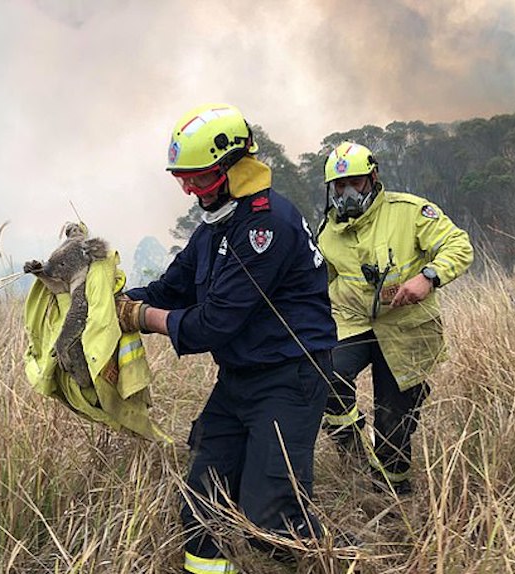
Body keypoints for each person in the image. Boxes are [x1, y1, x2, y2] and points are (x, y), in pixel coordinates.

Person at [116, 103, 338, 573]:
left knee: (271, 518)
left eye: (199, 178)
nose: (190, 190)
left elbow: (213, 323)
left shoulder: (265, 226)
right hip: (239, 379)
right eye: (182, 178)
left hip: (290, 378)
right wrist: (104, 302)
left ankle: (345, 560)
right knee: (203, 502)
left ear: (234, 165)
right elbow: (167, 289)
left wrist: (140, 317)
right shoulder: (213, 228)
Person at [316, 141, 473, 495]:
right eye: (339, 186)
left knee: (394, 421)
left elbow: (459, 246)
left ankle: (393, 492)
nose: (347, 192)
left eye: (355, 182)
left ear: (372, 177)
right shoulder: (327, 232)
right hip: (352, 322)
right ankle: (354, 454)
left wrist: (429, 277)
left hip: (405, 327)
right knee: (325, 378)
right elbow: (319, 282)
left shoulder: (410, 211)